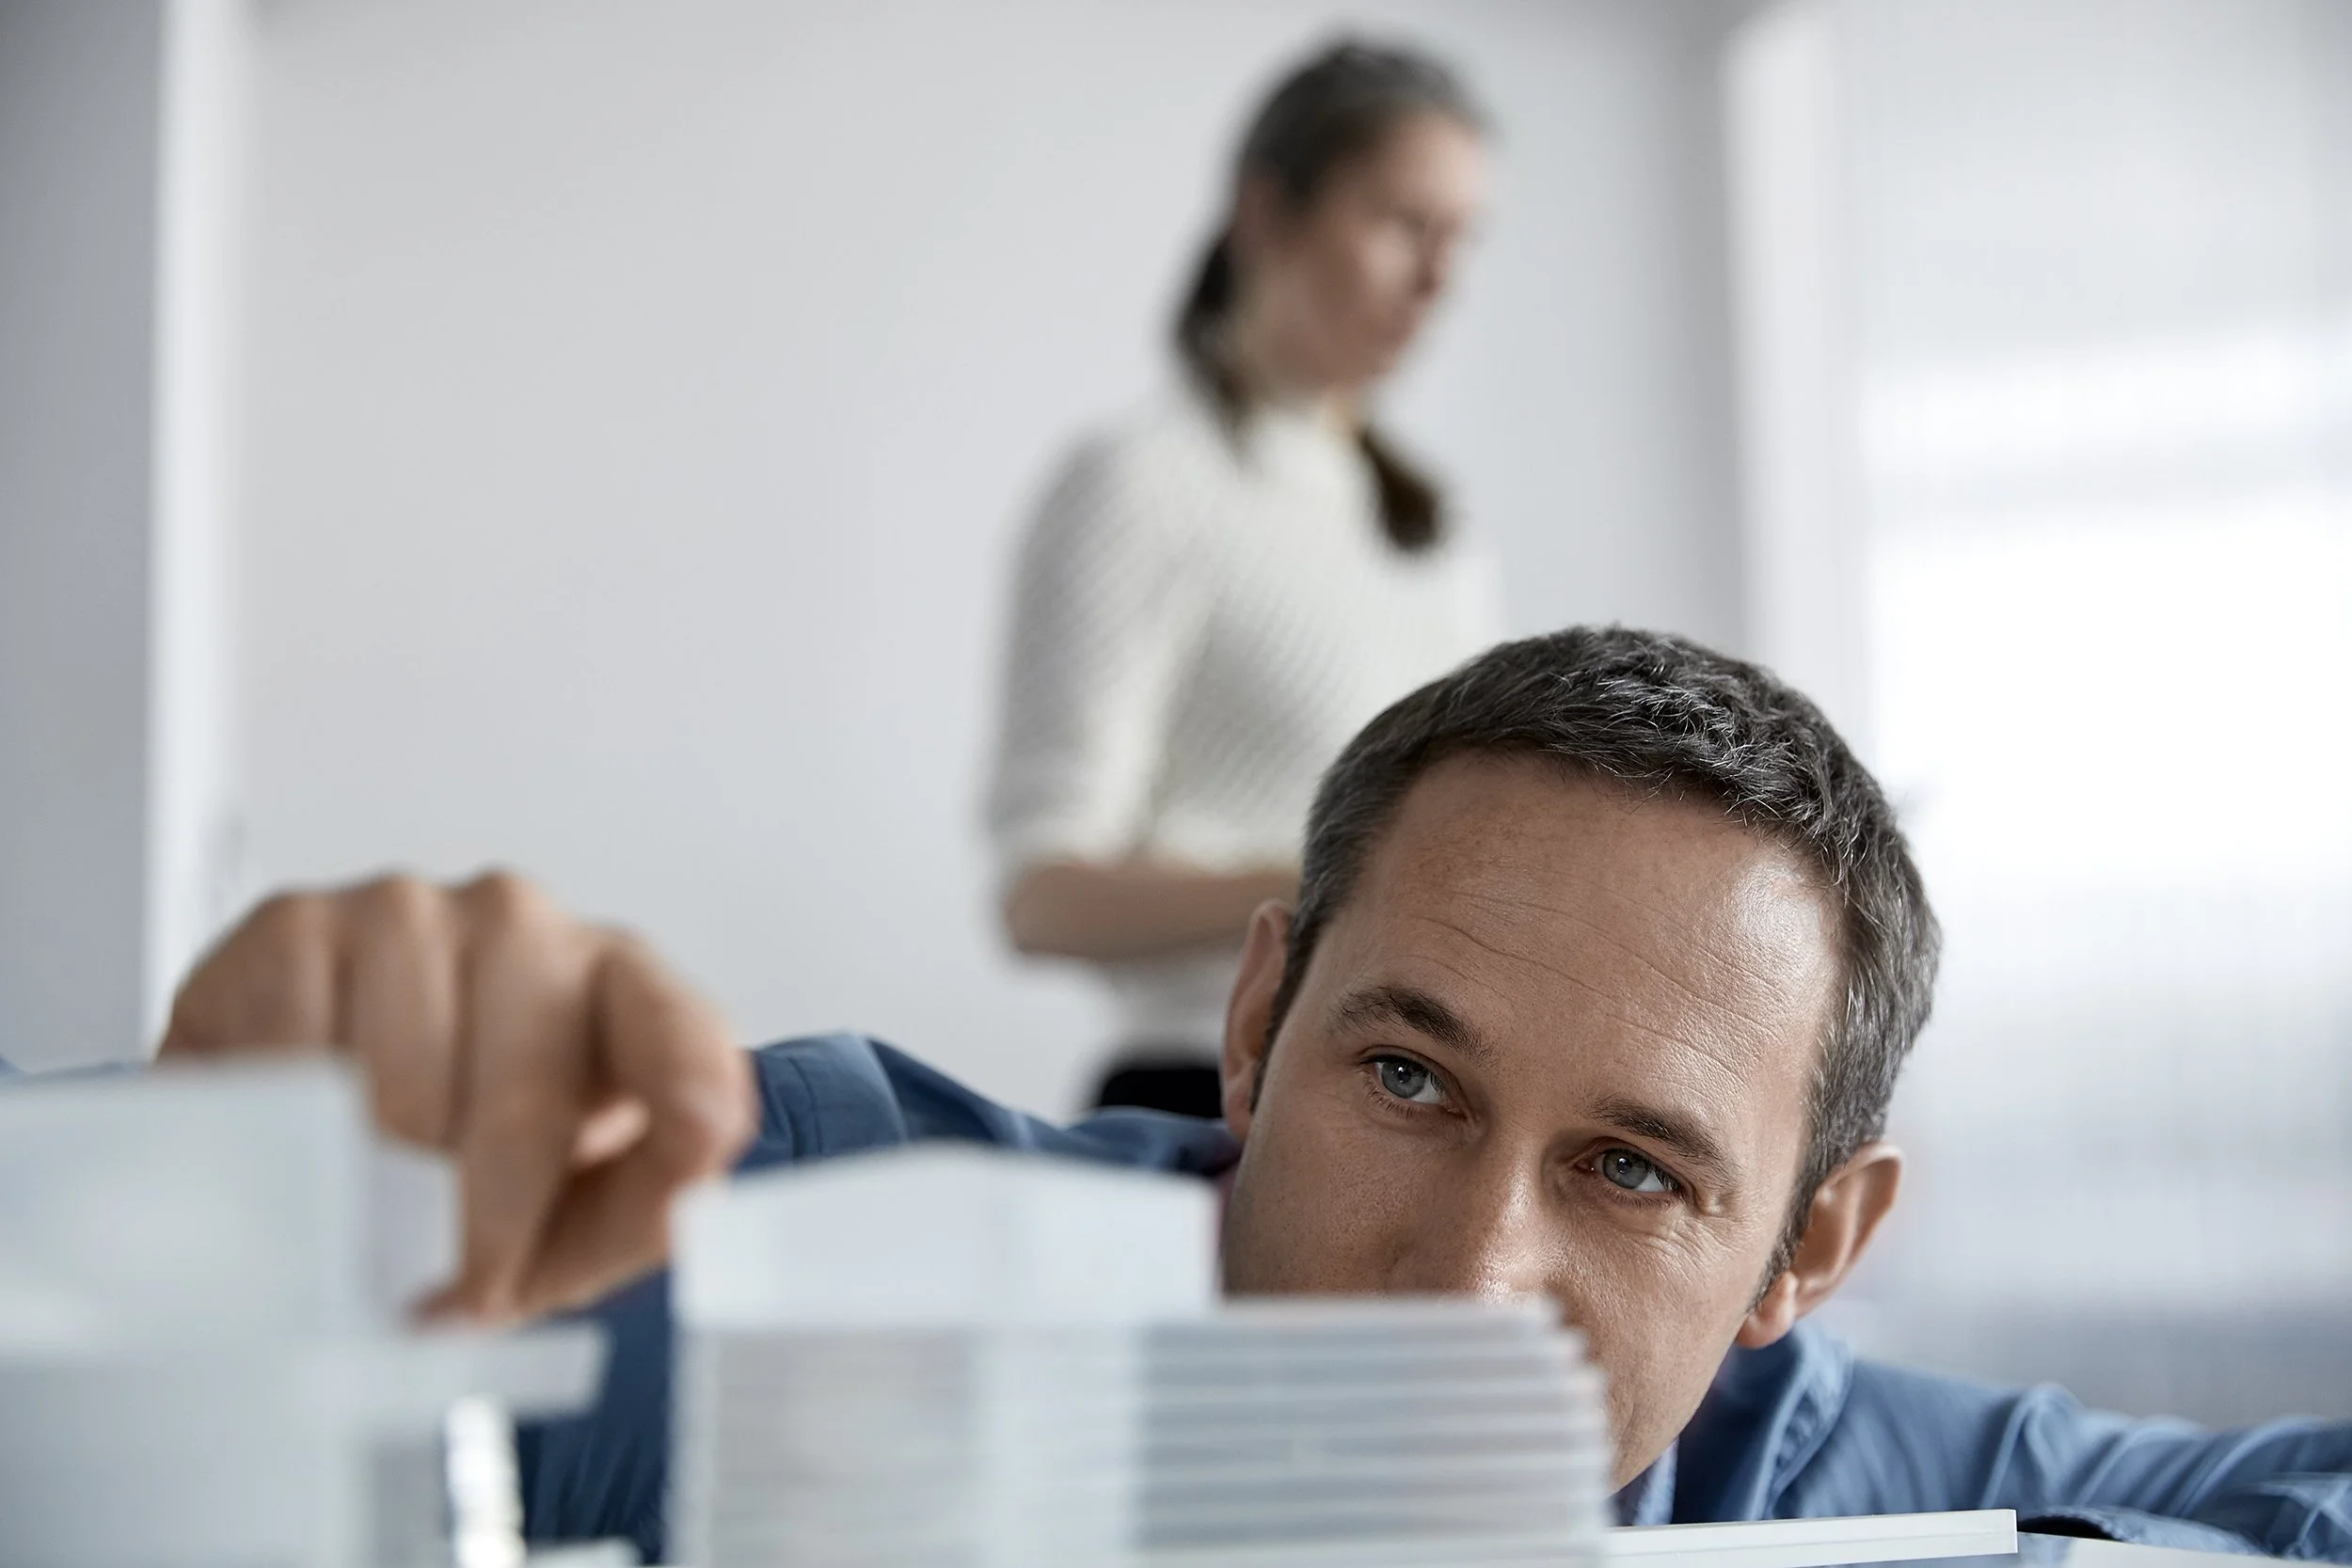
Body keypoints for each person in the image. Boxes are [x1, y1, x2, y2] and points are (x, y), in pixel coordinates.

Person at [154, 627, 2350, 1562]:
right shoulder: (826, 1236)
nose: (1472, 1271)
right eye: (1406, 1074)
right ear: (1254, 1017)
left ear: (1810, 1245)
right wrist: (234, 1216)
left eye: (1634, 1171)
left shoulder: (1842, 1484)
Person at [988, 40, 1503, 1117]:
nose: (1439, 280)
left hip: (1408, 1099)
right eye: (1404, 225)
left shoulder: (1429, 532)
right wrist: (1348, 877)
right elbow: (1039, 899)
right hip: (1203, 1101)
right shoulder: (1142, 487)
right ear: (1266, 216)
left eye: (1461, 240)